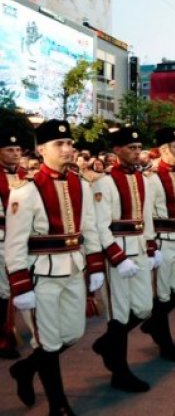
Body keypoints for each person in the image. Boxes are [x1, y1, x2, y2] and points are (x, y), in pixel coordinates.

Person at [6, 120, 105, 415]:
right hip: (41, 277)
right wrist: (21, 285)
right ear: (41, 150)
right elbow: (14, 243)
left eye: (69, 143)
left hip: (74, 269)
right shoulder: (26, 191)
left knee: (72, 333)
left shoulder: (80, 184)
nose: (67, 149)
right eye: (58, 144)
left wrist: (95, 265)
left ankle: (25, 369)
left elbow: (89, 227)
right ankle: (58, 406)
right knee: (48, 343)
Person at [90, 127, 159, 393]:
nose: (136, 152)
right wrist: (117, 258)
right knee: (118, 314)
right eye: (130, 147)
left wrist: (151, 248)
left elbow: (147, 217)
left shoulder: (143, 179)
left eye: (138, 147)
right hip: (118, 254)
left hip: (139, 249)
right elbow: (99, 225)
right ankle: (119, 371)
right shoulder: (104, 182)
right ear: (117, 151)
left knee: (143, 308)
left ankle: (107, 344)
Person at [140, 127, 175, 362]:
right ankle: (165, 342)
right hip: (162, 238)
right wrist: (151, 246)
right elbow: (145, 215)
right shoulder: (151, 177)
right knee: (162, 294)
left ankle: (153, 323)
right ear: (163, 150)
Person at [0, 109, 32, 360]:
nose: (15, 153)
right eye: (10, 149)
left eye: (18, 150)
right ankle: (4, 338)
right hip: (1, 238)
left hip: (22, 240)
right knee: (2, 291)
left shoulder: (26, 177)